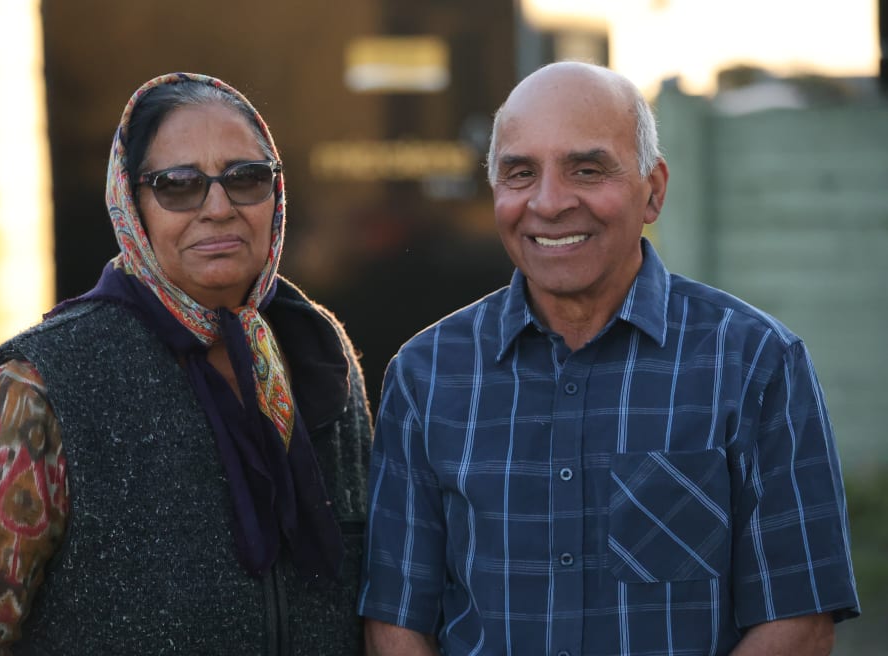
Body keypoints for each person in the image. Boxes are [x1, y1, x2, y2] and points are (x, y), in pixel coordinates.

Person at [358, 61, 859, 655]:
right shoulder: (426, 375)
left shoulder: (756, 364)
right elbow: (395, 620)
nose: (548, 203)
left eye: (587, 169)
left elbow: (799, 622)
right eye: (520, 173)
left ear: (655, 190)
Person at [0, 72, 372, 654]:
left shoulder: (317, 351)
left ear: (276, 194)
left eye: (246, 178)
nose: (219, 207)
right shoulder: (38, 388)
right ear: (131, 203)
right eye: (178, 185)